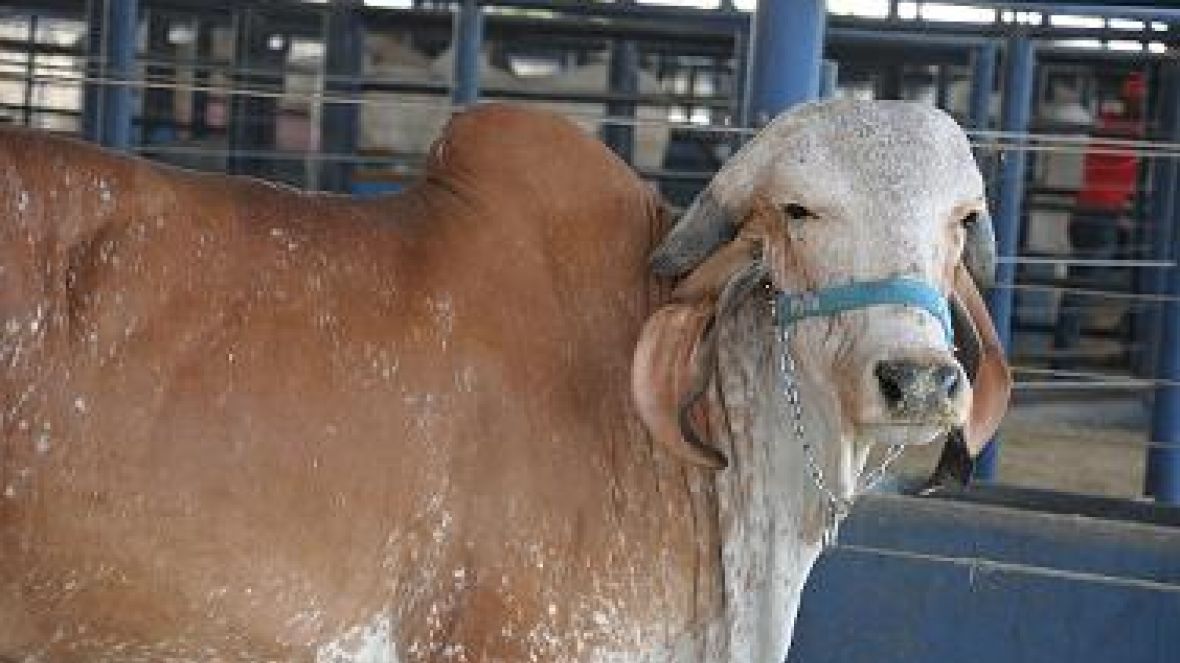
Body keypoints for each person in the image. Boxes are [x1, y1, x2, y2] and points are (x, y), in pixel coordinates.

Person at [1052, 72, 1145, 364]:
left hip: (1085, 211)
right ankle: (1064, 355)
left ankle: (1064, 350)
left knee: (1078, 285)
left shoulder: (1104, 122)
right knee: (1085, 287)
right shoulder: (1137, 130)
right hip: (1102, 216)